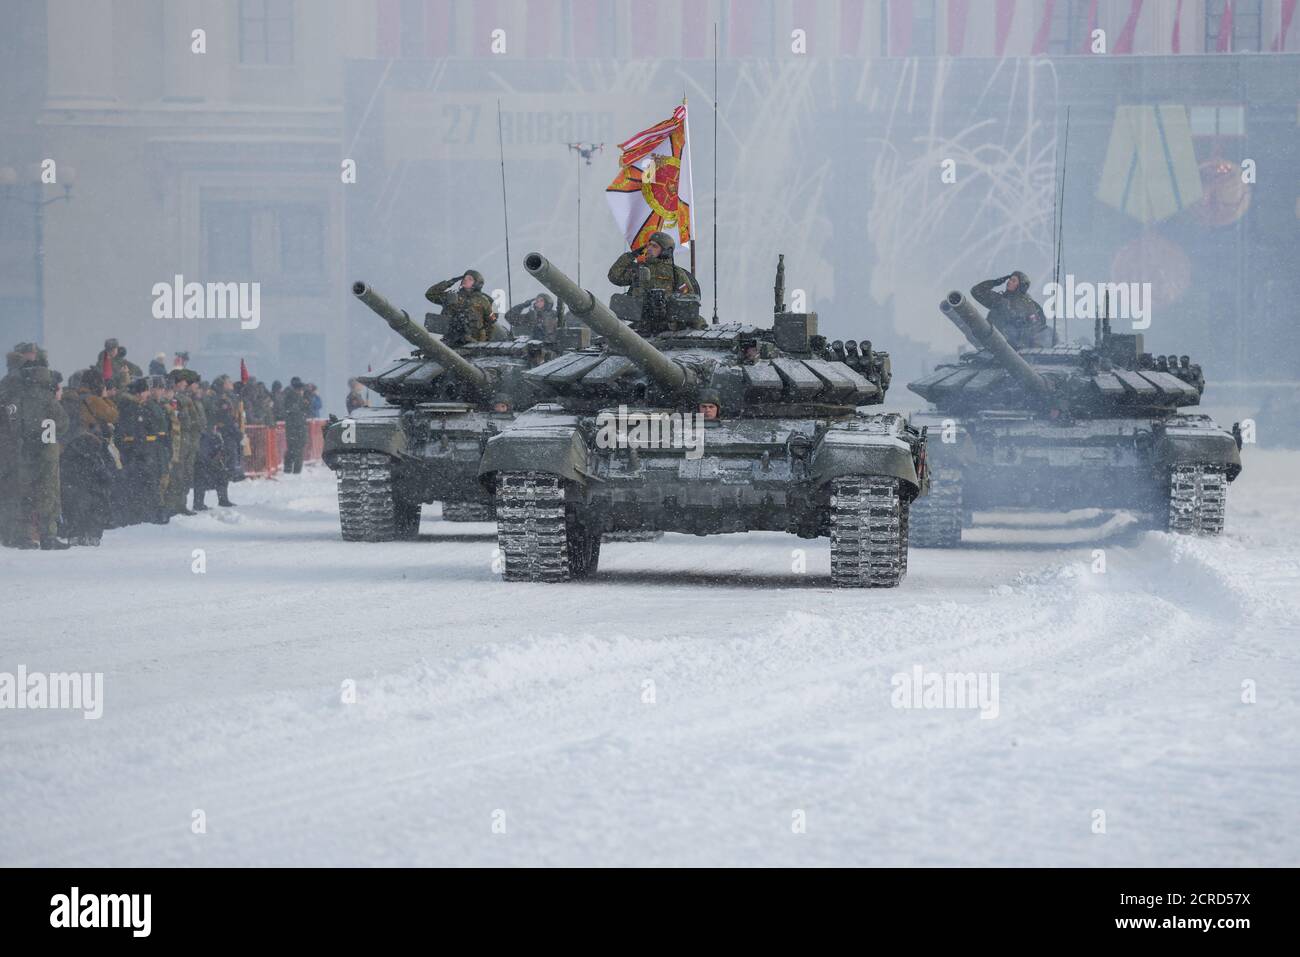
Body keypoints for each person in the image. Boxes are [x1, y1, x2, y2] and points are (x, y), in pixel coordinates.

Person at [607, 231, 704, 332]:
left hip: (668, 326)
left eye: (654, 246)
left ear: (666, 251)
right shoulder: (639, 269)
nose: (649, 248)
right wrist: (631, 255)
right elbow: (614, 276)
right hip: (641, 325)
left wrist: (667, 302)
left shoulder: (675, 273)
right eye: (649, 245)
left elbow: (689, 300)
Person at [970, 271, 1054, 350]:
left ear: (1021, 285)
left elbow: (1035, 326)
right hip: (994, 340)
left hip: (1016, 346)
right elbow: (976, 291)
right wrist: (995, 282)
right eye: (1009, 279)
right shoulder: (999, 300)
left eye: (1013, 281)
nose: (1009, 282)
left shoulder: (1028, 305)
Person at [425, 269, 497, 343]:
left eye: (470, 279)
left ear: (477, 283)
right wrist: (451, 282)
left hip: (474, 341)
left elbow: (491, 322)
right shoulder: (452, 296)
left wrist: (485, 342)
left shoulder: (483, 301)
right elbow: (430, 294)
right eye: (464, 278)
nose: (465, 280)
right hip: (451, 339)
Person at [192, 423, 229, 510]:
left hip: (210, 465)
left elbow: (220, 451)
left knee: (223, 474)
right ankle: (198, 503)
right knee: (200, 478)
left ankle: (223, 500)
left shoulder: (215, 437)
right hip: (202, 465)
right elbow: (203, 455)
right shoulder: (203, 438)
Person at [282, 377, 310, 474]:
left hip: (294, 428)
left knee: (292, 450)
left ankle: (289, 469)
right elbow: (296, 412)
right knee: (297, 450)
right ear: (299, 390)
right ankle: (295, 470)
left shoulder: (292, 397)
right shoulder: (294, 398)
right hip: (296, 428)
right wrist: (304, 404)